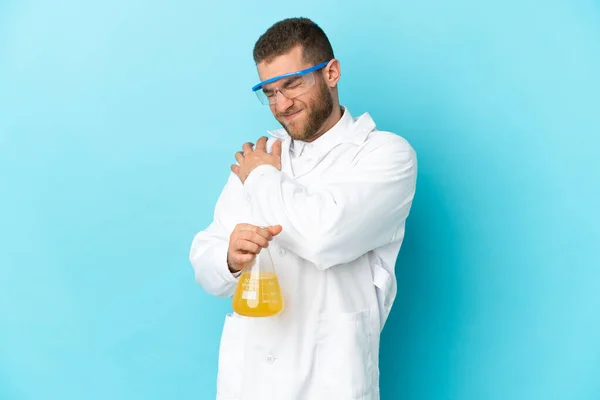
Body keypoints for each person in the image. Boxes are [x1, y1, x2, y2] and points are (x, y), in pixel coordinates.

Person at [189, 17, 417, 400]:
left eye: (292, 84)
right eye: (270, 91)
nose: (281, 104)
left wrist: (261, 179)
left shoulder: (386, 155)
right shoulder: (260, 156)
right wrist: (229, 257)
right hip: (250, 382)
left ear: (331, 72)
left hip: (331, 381)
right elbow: (205, 263)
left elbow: (323, 236)